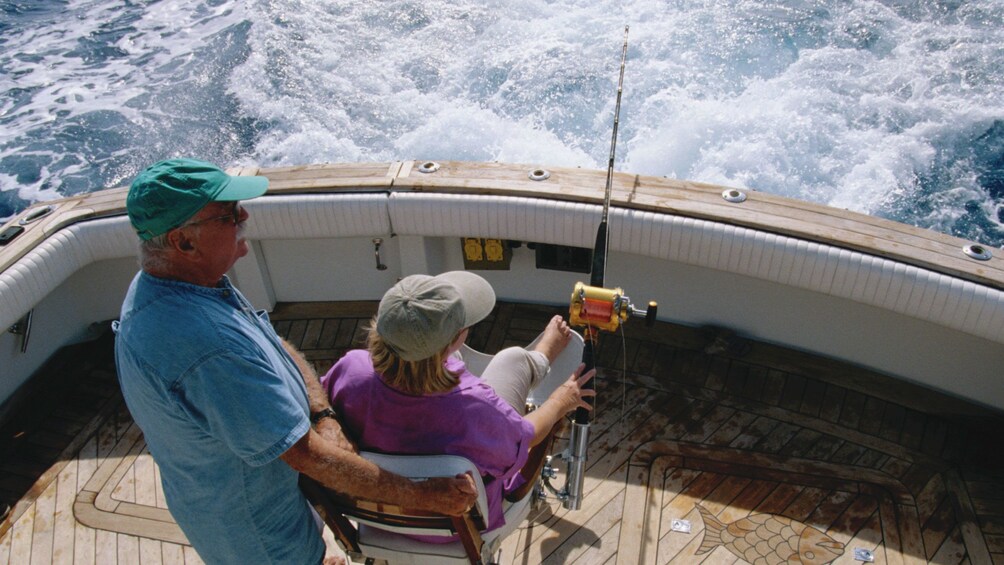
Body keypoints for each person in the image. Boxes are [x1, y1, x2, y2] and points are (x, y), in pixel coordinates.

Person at [113, 159, 477, 565]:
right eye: (229, 213)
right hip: (258, 537)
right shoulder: (207, 347)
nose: (244, 216)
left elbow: (270, 340)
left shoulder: (185, 284)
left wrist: (322, 413)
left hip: (263, 501)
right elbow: (307, 456)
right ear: (183, 242)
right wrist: (426, 495)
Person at [321, 271, 595, 540]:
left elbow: (324, 407)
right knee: (512, 359)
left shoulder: (350, 369)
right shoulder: (474, 407)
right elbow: (527, 436)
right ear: (455, 340)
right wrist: (561, 400)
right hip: (455, 529)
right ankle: (540, 357)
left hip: (379, 517)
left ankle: (536, 359)